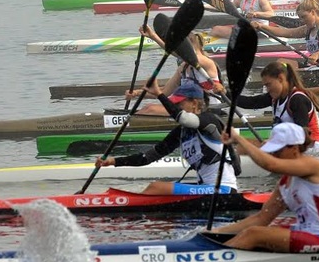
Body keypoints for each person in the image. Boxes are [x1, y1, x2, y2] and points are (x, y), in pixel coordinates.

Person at [212, 122, 319, 253]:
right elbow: (261, 219)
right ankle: (213, 252)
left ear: (294, 148)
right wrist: (216, 232)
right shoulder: (284, 183)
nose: (273, 154)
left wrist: (238, 138)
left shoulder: (313, 165)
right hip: (306, 234)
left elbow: (271, 165)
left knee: (254, 234)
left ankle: (213, 260)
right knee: (257, 230)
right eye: (272, 150)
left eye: (277, 150)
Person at [97, 81, 239, 195]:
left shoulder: (210, 121)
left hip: (223, 190)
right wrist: (113, 161)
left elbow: (184, 118)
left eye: (179, 103)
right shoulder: (181, 132)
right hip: (206, 188)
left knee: (156, 187)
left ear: (194, 103)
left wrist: (159, 94)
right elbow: (147, 157)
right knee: (157, 189)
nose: (175, 107)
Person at [128, 26, 225, 115]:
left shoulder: (206, 62)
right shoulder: (183, 68)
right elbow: (164, 92)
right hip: (188, 108)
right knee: (148, 107)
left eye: (180, 47)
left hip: (208, 109)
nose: (179, 51)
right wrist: (136, 93)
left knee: (151, 109)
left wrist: (154, 36)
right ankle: (126, 124)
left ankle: (126, 125)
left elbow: (183, 55)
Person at [236, 61, 319, 151]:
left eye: (268, 85)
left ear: (280, 78)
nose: (267, 89)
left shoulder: (297, 99)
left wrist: (273, 144)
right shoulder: (276, 97)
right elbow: (251, 102)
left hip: (312, 149)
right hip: (292, 147)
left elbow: (302, 134)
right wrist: (226, 93)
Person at [252, 0, 319, 70]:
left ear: (313, 12)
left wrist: (318, 54)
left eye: (304, 17)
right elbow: (286, 32)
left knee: (287, 71)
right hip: (315, 65)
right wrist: (261, 26)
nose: (302, 20)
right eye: (300, 18)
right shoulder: (307, 29)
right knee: (281, 63)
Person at [210, 0, 275, 38]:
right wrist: (205, 7)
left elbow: (271, 14)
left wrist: (256, 14)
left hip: (260, 31)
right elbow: (223, 7)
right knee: (214, 29)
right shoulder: (240, 1)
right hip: (247, 29)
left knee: (216, 30)